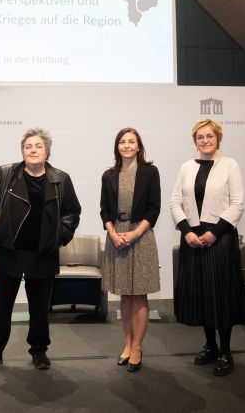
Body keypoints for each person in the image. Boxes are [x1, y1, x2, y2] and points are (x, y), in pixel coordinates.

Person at [0, 128, 82, 371]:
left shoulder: (61, 179)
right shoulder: (6, 173)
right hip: (9, 250)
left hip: (43, 253)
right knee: (1, 307)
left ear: (47, 152)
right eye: (28, 146)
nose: (33, 150)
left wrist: (59, 236)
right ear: (22, 151)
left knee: (39, 308)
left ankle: (39, 351)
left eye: (38, 146)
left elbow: (72, 213)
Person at [170, 119, 245, 377]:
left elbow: (237, 204)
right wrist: (187, 231)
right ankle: (210, 345)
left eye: (210, 136)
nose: (205, 141)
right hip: (192, 238)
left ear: (218, 138)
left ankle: (226, 350)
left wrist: (214, 233)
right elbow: (174, 202)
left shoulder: (230, 165)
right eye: (200, 137)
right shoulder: (186, 167)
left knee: (220, 295)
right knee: (202, 295)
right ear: (195, 141)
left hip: (220, 237)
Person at [99, 127, 161, 372]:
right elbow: (104, 209)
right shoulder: (108, 175)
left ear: (138, 146)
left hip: (141, 235)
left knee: (139, 295)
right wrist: (113, 234)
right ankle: (127, 344)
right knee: (124, 295)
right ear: (117, 147)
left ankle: (137, 347)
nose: (126, 145)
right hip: (116, 236)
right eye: (122, 142)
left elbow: (153, 208)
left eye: (131, 141)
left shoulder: (150, 172)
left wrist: (135, 233)